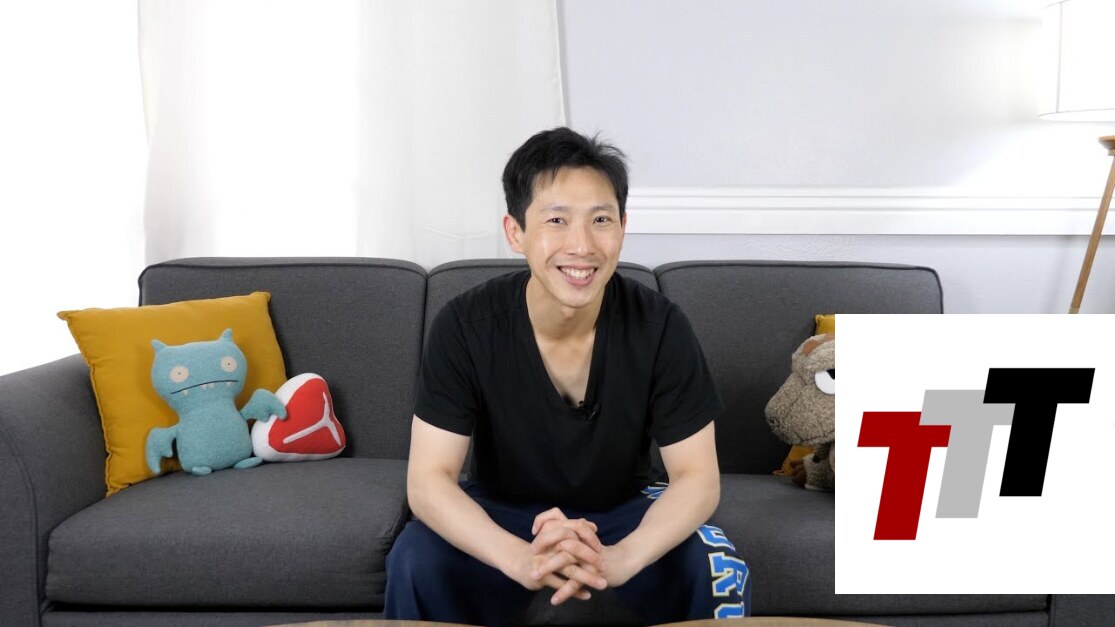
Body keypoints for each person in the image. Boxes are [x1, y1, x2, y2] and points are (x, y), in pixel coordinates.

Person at [385, 127, 750, 624]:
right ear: (515, 232)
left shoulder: (661, 326)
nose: (581, 245)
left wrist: (620, 559)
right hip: (500, 510)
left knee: (716, 565)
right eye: (556, 220)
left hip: (624, 510)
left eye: (601, 220)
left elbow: (697, 479)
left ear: (623, 226)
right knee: (415, 559)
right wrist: (521, 558)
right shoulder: (465, 326)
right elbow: (429, 481)